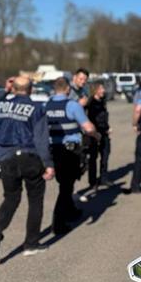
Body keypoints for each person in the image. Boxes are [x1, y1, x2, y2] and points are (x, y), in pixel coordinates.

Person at [0, 76, 55, 262]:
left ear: (14, 88)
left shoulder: (0, 106)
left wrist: (5, 90)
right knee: (35, 200)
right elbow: (41, 139)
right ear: (31, 89)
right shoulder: (37, 108)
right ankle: (31, 244)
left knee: (11, 198)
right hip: (29, 157)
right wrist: (48, 164)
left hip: (6, 158)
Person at [46, 78, 100, 235]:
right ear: (67, 89)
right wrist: (96, 135)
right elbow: (87, 127)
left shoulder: (46, 105)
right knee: (66, 186)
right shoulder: (72, 105)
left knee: (65, 183)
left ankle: (71, 211)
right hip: (69, 151)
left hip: (53, 150)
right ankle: (58, 223)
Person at [84, 81, 112, 196]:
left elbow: (104, 117)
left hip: (104, 132)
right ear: (95, 90)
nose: (103, 91)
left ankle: (103, 178)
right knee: (93, 158)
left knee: (105, 156)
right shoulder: (90, 103)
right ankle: (92, 181)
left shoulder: (103, 101)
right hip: (94, 134)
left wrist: (108, 127)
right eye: (101, 89)